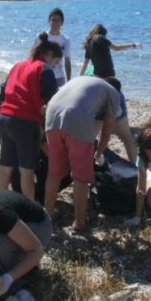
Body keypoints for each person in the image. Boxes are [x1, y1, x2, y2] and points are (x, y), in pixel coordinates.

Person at [45, 76, 121, 230]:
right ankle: (79, 223)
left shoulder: (85, 81)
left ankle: (48, 215)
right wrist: (98, 153)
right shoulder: (114, 93)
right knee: (80, 178)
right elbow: (106, 134)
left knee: (54, 173)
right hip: (75, 116)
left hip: (51, 113)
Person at [0, 33, 62, 200]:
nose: (54, 66)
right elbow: (54, 104)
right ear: (49, 55)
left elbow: (3, 91)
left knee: (5, 168)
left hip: (4, 117)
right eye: (56, 62)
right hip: (24, 122)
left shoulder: (18, 65)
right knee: (27, 171)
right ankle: (31, 210)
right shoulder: (44, 69)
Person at [94, 77, 137, 165]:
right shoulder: (116, 93)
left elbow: (105, 134)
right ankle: (135, 166)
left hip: (108, 102)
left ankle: (134, 166)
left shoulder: (112, 95)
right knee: (126, 138)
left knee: (124, 136)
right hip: (106, 102)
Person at [35, 7, 71, 87]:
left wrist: (69, 80)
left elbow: (67, 60)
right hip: (43, 75)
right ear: (49, 21)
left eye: (58, 20)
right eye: (53, 20)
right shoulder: (41, 37)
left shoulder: (65, 40)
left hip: (59, 77)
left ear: (62, 22)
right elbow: (34, 57)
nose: (55, 23)